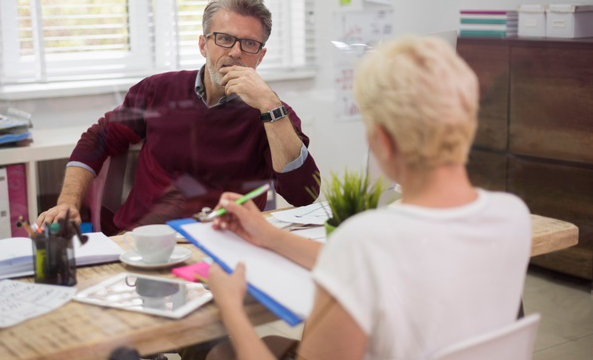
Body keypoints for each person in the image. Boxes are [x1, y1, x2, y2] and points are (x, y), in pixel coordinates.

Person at [205, 36, 532, 360]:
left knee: (222, 352)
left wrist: (232, 307)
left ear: (384, 141)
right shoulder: (512, 214)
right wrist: (270, 236)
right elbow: (362, 262)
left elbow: (359, 259)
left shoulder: (365, 243)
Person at [36, 0, 320, 233]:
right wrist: (67, 202)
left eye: (249, 44)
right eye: (224, 39)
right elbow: (97, 140)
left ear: (261, 56)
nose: (235, 52)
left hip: (226, 240)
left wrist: (270, 106)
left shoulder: (273, 113)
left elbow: (304, 195)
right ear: (203, 45)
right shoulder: (157, 90)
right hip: (145, 236)